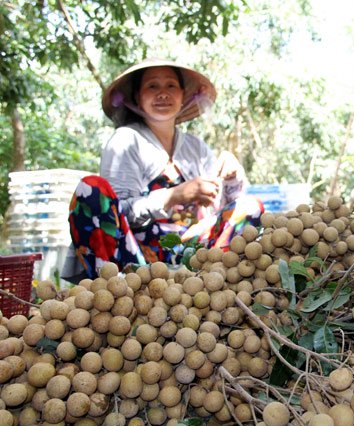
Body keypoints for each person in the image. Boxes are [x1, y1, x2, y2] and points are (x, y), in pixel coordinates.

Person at [61, 58, 263, 282]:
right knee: (91, 189)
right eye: (152, 86)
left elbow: (223, 211)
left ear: (183, 94)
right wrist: (173, 195)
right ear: (137, 96)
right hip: (134, 263)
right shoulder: (125, 140)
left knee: (250, 206)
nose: (163, 93)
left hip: (194, 257)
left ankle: (215, 284)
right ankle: (109, 290)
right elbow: (116, 215)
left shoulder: (197, 148)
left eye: (170, 86)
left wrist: (232, 178)